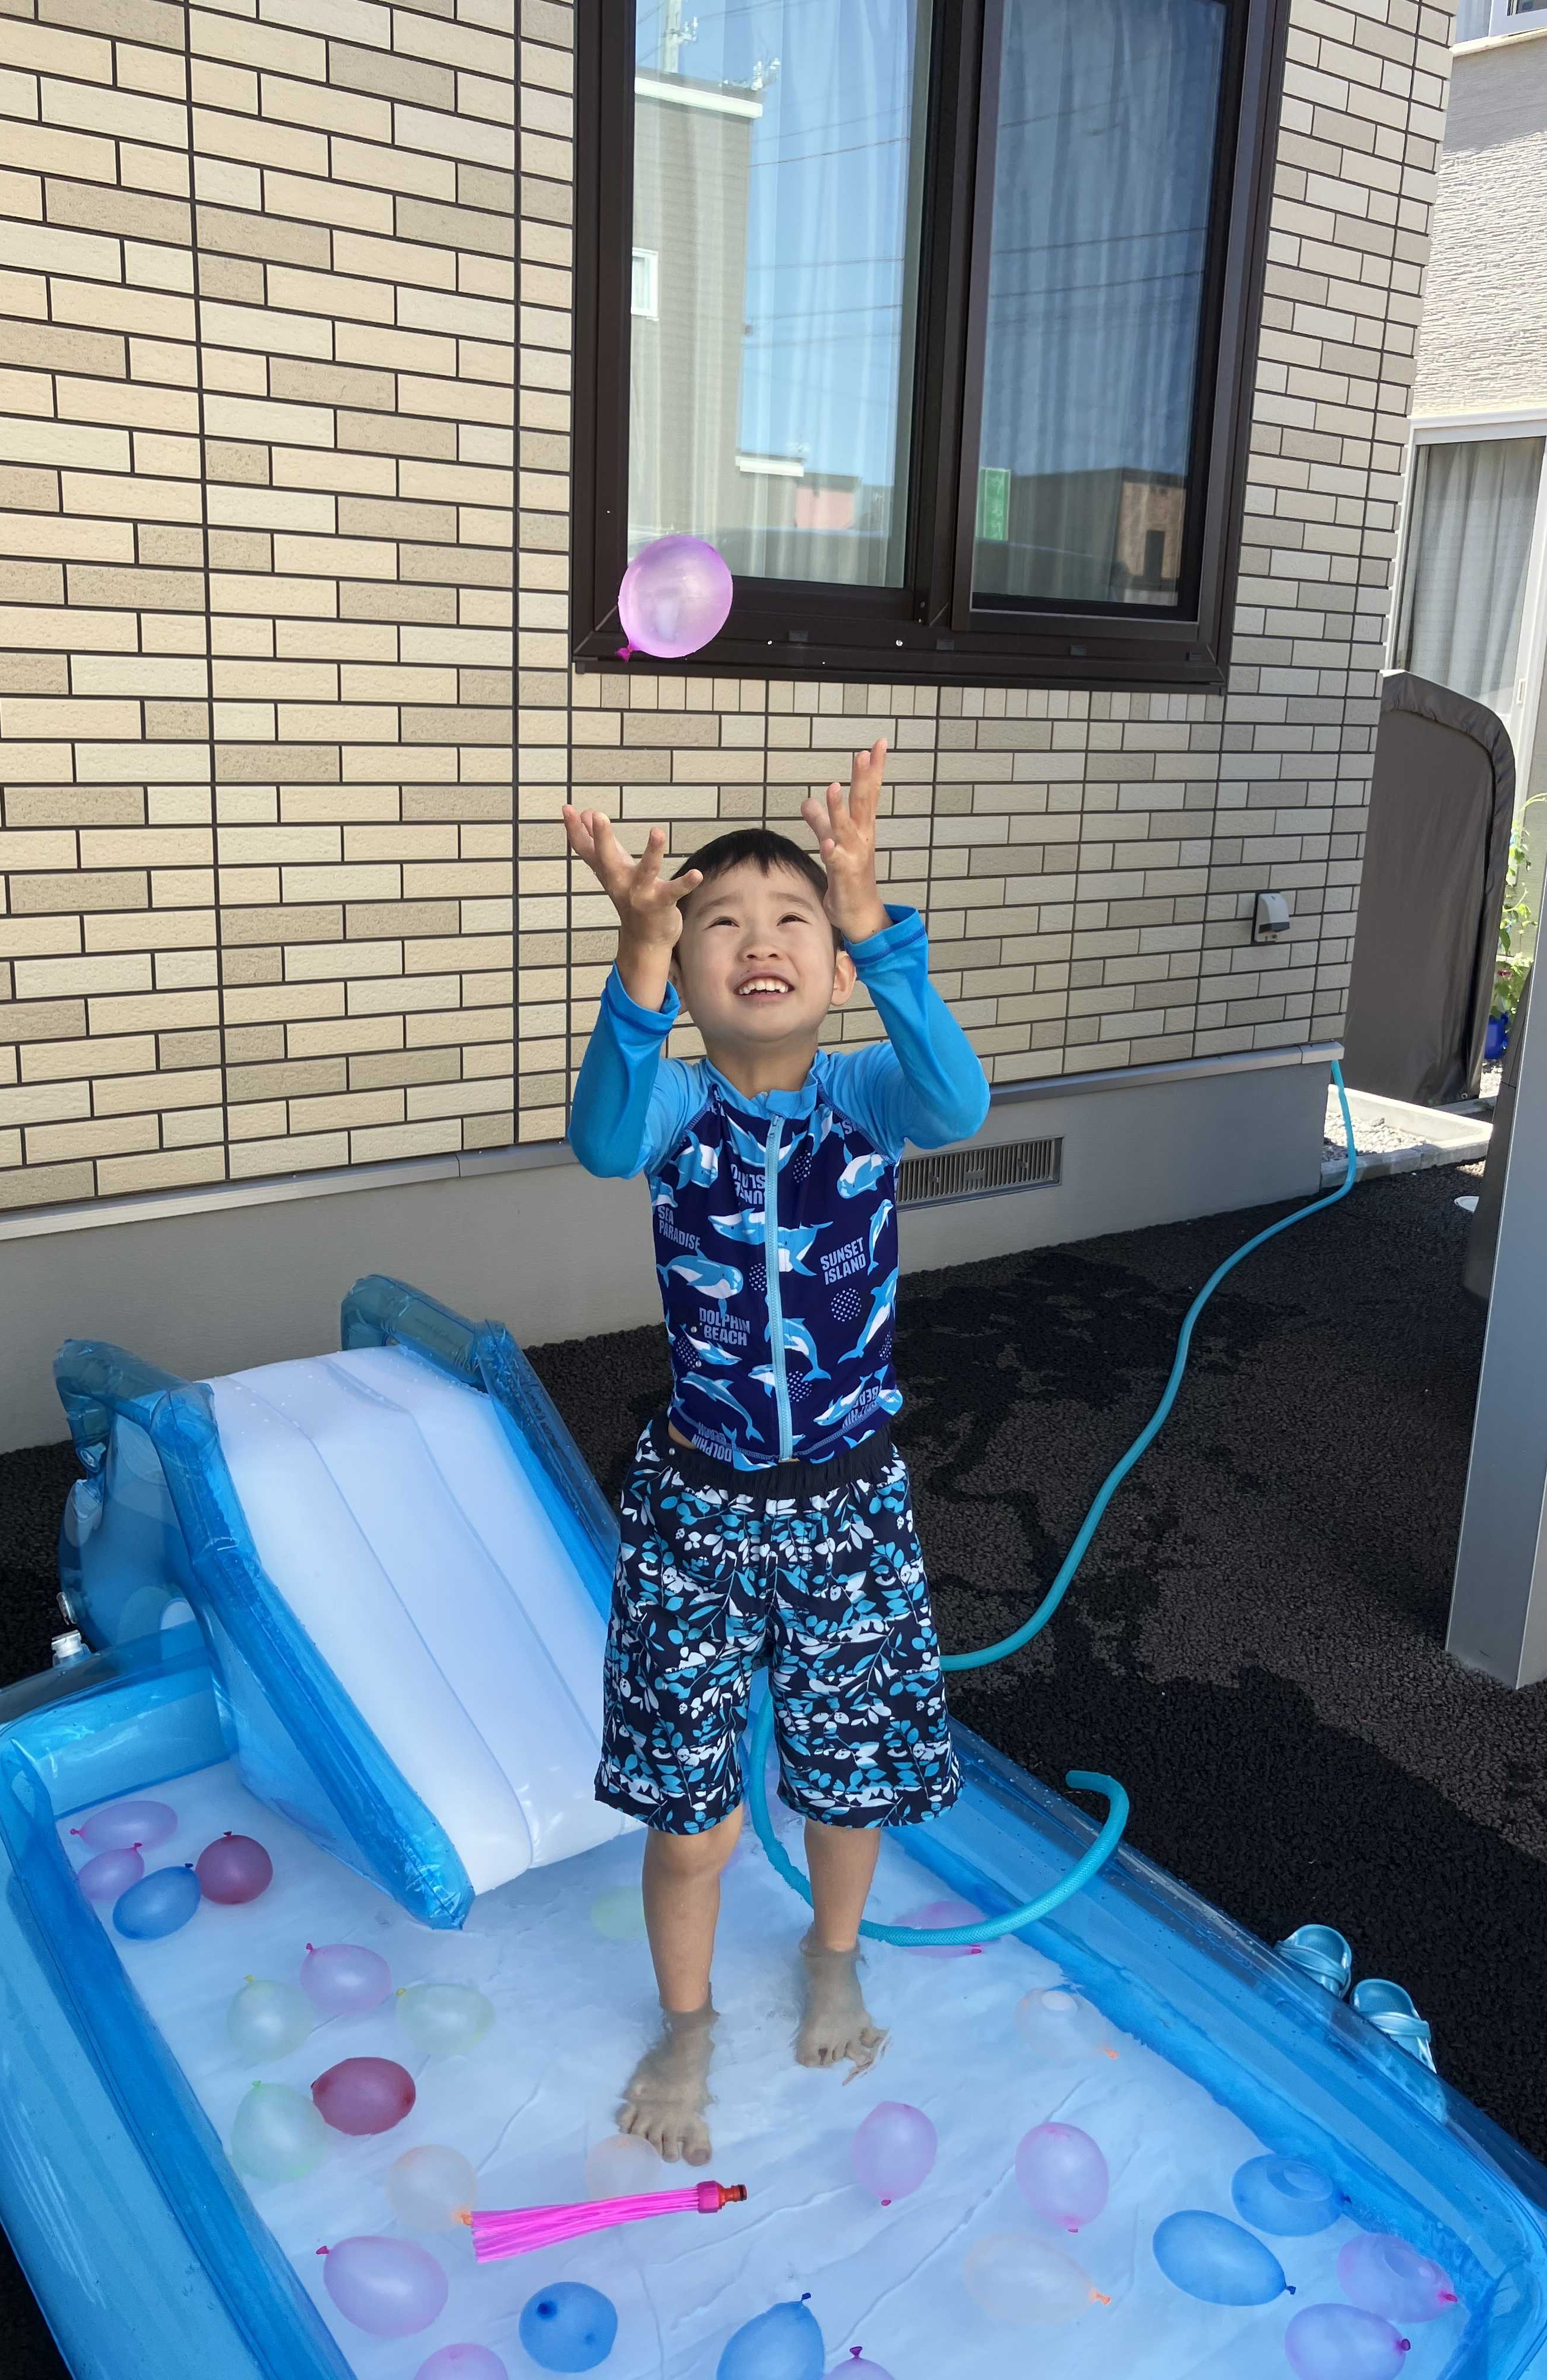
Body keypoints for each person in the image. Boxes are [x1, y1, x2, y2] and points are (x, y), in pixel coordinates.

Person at [563, 738, 990, 2166]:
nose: (759, 942)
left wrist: (878, 925)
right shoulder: (677, 1112)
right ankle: (686, 2023)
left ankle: (833, 1949)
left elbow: (960, 1104)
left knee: (850, 1777)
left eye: (792, 920)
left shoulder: (864, 1101)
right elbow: (600, 1139)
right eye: (720, 925)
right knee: (692, 1813)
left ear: (833, 967)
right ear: (687, 978)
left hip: (848, 1507)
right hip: (698, 1506)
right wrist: (634, 955)